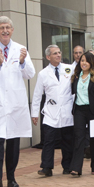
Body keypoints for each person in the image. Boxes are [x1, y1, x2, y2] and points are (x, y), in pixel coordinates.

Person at [0, 16, 35, 187]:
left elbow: (30, 74)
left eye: (8, 27)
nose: (5, 30)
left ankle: (11, 177)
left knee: (13, 143)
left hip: (15, 104)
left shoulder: (21, 49)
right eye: (2, 28)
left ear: (12, 30)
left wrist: (22, 61)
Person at [31, 45, 74, 177]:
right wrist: (34, 114)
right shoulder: (43, 74)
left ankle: (67, 166)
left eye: (59, 52)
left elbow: (84, 74)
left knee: (67, 140)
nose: (58, 55)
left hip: (67, 110)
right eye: (55, 53)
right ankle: (46, 167)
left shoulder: (69, 68)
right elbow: (37, 95)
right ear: (48, 57)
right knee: (49, 140)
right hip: (51, 111)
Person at [70, 52, 94, 176]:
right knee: (79, 138)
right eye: (82, 60)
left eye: (86, 61)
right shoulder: (76, 76)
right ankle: (76, 168)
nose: (83, 63)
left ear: (91, 63)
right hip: (79, 110)